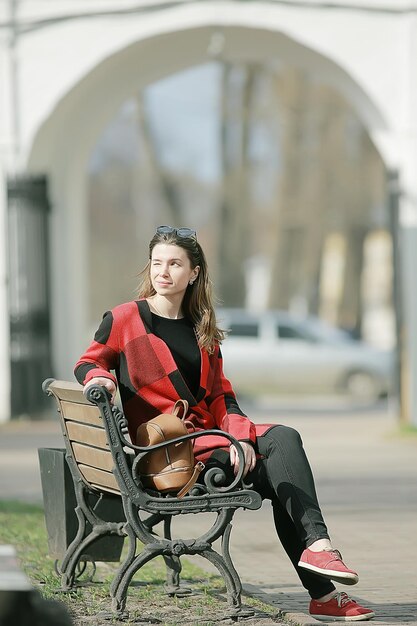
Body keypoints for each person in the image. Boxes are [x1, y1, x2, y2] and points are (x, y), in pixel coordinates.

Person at [75, 225, 374, 622]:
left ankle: (319, 548)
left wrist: (241, 440)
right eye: (157, 263)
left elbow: (221, 397)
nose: (163, 272)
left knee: (282, 441)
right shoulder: (125, 319)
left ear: (194, 272)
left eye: (175, 264)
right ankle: (321, 589)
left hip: (213, 443)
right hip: (169, 456)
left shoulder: (202, 326)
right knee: (275, 472)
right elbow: (89, 361)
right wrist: (99, 379)